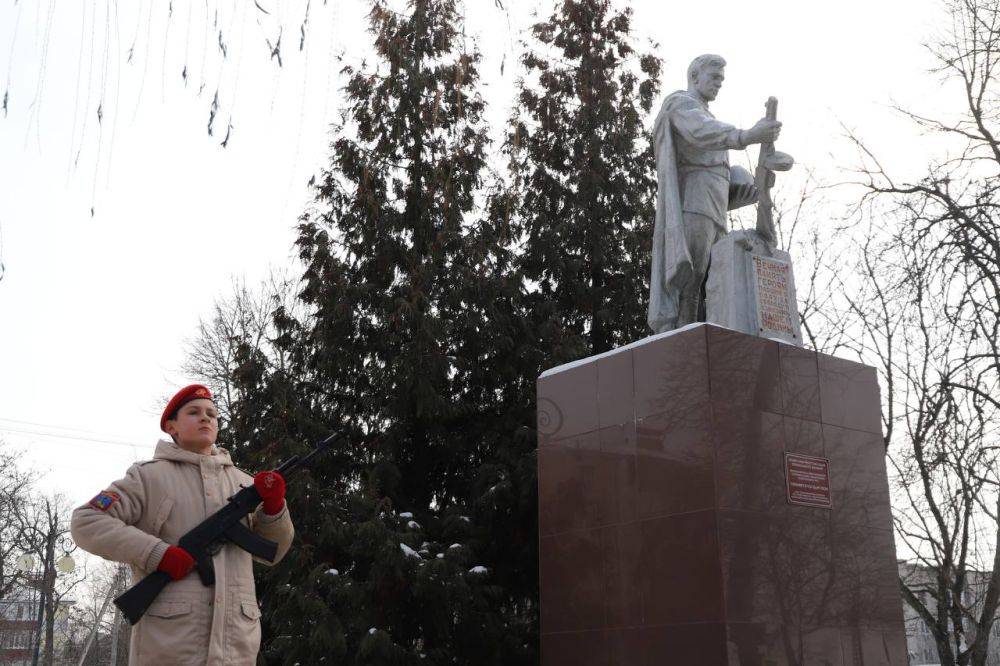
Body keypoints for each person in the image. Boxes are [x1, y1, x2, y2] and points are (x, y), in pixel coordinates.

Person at [70, 384, 294, 666]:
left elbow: (273, 552)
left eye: (212, 414)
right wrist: (158, 553)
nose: (206, 418)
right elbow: (86, 521)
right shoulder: (148, 477)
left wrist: (274, 507)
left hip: (236, 651)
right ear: (171, 426)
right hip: (168, 648)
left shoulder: (244, 482)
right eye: (194, 412)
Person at [648, 53, 783, 333]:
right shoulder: (681, 104)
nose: (719, 84)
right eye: (714, 78)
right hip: (694, 203)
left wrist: (738, 191)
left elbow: (713, 167)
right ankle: (682, 335)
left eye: (721, 79)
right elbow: (702, 132)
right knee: (692, 276)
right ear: (694, 77)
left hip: (714, 208)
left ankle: (703, 333)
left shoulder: (706, 114)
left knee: (714, 276)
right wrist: (747, 135)